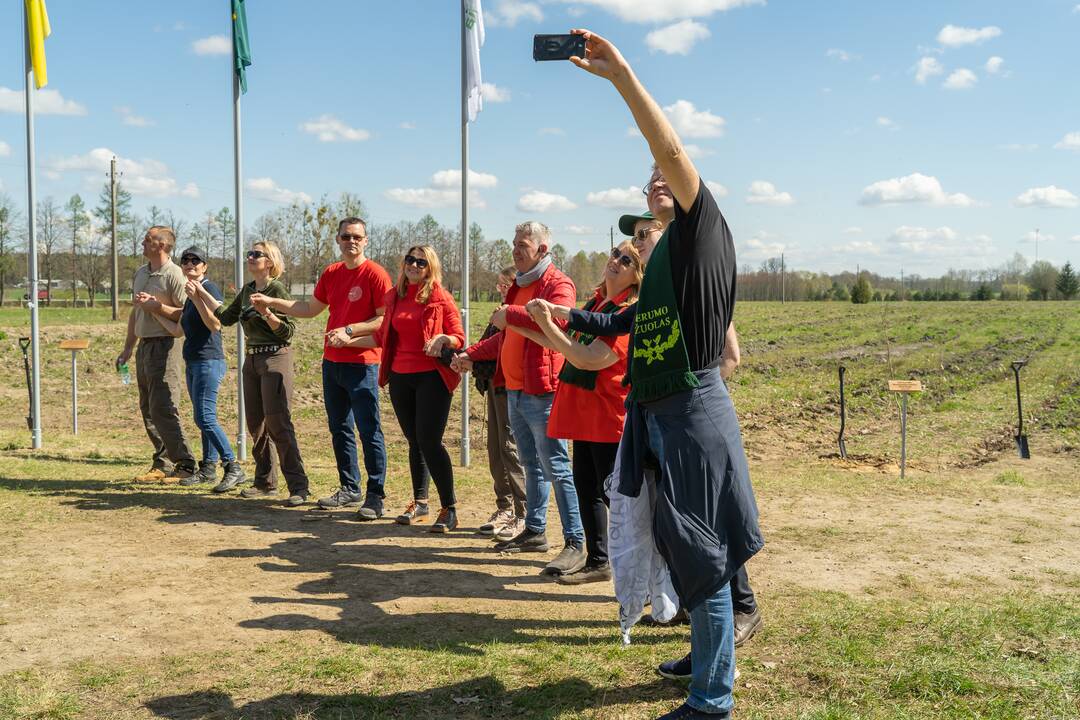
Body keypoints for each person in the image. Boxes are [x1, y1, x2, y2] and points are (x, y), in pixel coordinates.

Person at [539, 30, 764, 719]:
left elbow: (669, 151)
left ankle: (711, 700)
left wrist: (623, 78)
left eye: (669, 178)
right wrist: (558, 323)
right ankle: (703, 657)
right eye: (650, 185)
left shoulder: (703, 235)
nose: (658, 180)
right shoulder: (658, 266)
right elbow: (619, 330)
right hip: (656, 412)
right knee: (677, 544)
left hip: (693, 409)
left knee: (705, 558)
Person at [619, 212, 763, 649]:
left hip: (691, 419)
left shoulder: (692, 285)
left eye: (645, 234)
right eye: (636, 237)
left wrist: (692, 402)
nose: (637, 243)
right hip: (660, 421)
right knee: (676, 525)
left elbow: (730, 354)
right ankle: (691, 611)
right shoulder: (653, 296)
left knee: (709, 528)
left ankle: (743, 607)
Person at [451, 221, 586, 578]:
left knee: (556, 466)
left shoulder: (558, 284)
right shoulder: (519, 286)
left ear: (542, 249)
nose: (515, 249)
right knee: (531, 464)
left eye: (522, 245)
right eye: (513, 243)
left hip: (542, 391)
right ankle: (535, 531)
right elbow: (506, 336)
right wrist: (473, 354)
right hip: (514, 388)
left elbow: (555, 325)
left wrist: (507, 314)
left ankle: (575, 542)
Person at [251, 218, 392, 519]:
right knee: (339, 428)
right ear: (338, 240)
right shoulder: (332, 273)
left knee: (369, 431)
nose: (351, 241)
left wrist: (351, 332)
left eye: (357, 237)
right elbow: (310, 309)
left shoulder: (376, 274)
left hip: (363, 364)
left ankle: (375, 495)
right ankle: (349, 488)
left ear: (366, 240)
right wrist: (273, 301)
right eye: (345, 237)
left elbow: (385, 319)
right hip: (333, 363)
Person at [520, 240, 643, 584]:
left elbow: (589, 358)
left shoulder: (625, 309)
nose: (615, 261)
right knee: (587, 487)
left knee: (613, 496)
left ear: (638, 274)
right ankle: (599, 560)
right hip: (586, 415)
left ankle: (640, 572)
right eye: (615, 254)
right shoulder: (598, 302)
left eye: (627, 260)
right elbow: (569, 342)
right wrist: (523, 324)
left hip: (607, 416)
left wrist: (546, 323)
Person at [352, 246, 464, 532]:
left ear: (430, 267)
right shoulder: (395, 297)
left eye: (421, 262)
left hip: (432, 378)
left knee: (430, 441)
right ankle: (420, 502)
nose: (414, 265)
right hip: (401, 378)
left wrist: (442, 338)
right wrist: (349, 335)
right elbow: (383, 336)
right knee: (414, 441)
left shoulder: (440, 298)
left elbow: (458, 338)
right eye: (410, 260)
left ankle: (449, 509)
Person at [189, 241, 310, 506]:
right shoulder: (247, 290)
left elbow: (288, 331)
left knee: (278, 423)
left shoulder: (276, 289)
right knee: (256, 424)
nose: (251, 257)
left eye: (257, 254)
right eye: (249, 254)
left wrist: (267, 313)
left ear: (270, 261)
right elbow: (226, 316)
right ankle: (265, 482)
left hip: (276, 357)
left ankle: (298, 487)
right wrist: (200, 293)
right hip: (252, 360)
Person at [135, 245, 245, 491]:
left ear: (205, 266)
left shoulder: (209, 288)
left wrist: (197, 296)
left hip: (209, 361)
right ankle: (207, 470)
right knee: (202, 418)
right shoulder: (189, 291)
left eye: (196, 261)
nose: (190, 264)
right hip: (193, 361)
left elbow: (215, 324)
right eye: (185, 261)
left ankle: (233, 466)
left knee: (205, 417)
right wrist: (153, 310)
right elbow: (177, 330)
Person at [115, 226, 198, 483]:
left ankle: (185, 464)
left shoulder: (174, 275)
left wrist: (157, 306)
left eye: (148, 239)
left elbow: (186, 315)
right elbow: (135, 313)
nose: (142, 242)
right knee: (148, 407)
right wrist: (128, 347)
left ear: (161, 245)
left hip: (166, 346)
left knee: (164, 406)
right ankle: (162, 462)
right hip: (144, 347)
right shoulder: (141, 273)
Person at [474, 267, 527, 541]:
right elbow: (487, 343)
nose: (501, 290)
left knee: (510, 448)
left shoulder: (516, 314)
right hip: (495, 386)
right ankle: (504, 507)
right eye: (499, 285)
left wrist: (469, 354)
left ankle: (523, 512)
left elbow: (496, 346)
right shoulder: (501, 313)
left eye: (505, 285)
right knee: (495, 449)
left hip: (512, 387)